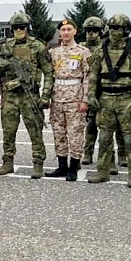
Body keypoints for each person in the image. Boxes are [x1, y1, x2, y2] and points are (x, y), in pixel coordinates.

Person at [87, 14, 131, 187]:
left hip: (126, 98)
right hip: (105, 99)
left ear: (126, 30)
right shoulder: (101, 49)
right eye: (112, 28)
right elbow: (93, 74)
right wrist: (91, 95)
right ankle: (102, 171)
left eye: (118, 28)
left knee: (129, 139)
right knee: (104, 138)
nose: (114, 32)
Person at [0, 12, 54, 178]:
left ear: (28, 28)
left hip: (30, 96)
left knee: (35, 131)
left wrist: (45, 96)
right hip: (10, 97)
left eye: (22, 27)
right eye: (15, 28)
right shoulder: (5, 47)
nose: (19, 30)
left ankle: (38, 163)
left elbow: (49, 73)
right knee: (8, 131)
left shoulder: (38, 47)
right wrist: (3, 64)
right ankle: (7, 162)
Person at [46, 19, 91, 181]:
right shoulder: (53, 52)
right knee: (59, 132)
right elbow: (49, 76)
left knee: (75, 133)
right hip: (57, 97)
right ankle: (62, 165)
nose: (65, 32)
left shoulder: (83, 52)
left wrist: (85, 100)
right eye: (63, 29)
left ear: (75, 31)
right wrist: (47, 96)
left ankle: (74, 166)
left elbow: (88, 78)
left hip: (75, 97)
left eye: (68, 29)